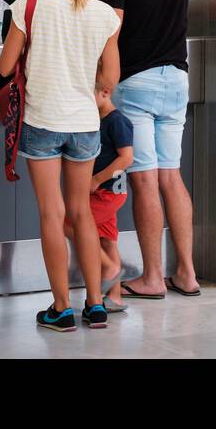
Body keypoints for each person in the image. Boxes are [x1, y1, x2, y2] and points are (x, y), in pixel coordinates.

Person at [0, 0, 121, 332]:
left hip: (43, 121)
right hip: (85, 124)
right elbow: (111, 76)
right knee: (82, 212)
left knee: (53, 214)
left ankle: (61, 308)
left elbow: (4, 67)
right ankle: (96, 304)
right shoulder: (103, 13)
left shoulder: (29, 6)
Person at [96, 0, 199, 300]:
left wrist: (101, 83)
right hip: (176, 80)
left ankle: (154, 277)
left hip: (135, 83)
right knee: (171, 176)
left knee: (144, 181)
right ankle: (187, 274)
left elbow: (111, 32)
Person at [65, 86, 135, 314]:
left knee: (68, 223)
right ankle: (114, 297)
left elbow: (127, 158)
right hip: (103, 192)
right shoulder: (97, 118)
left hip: (107, 193)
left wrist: (96, 179)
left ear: (105, 92)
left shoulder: (117, 121)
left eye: (87, 92)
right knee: (107, 240)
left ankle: (109, 267)